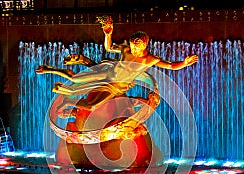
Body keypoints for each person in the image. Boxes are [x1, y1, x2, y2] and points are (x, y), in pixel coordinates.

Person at [36, 15, 199, 113]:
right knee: (76, 80)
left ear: (144, 45)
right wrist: (108, 34)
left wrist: (184, 63)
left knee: (91, 107)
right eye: (133, 45)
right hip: (108, 73)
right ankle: (51, 69)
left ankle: (69, 102)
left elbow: (170, 66)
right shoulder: (126, 50)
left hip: (117, 86)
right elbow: (108, 47)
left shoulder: (150, 59)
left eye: (137, 46)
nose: (134, 48)